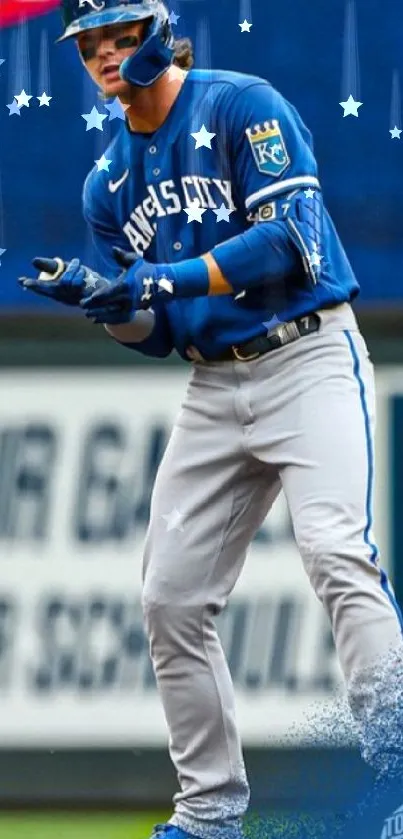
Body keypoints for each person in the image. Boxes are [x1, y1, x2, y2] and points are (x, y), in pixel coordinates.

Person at [19, 1, 403, 837]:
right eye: (92, 45)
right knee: (169, 597)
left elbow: (289, 239)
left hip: (305, 357)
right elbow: (154, 332)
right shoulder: (106, 181)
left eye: (123, 36)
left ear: (159, 32)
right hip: (212, 388)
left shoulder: (240, 103)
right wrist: (104, 301)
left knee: (336, 552)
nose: (108, 54)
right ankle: (208, 816)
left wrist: (156, 281)